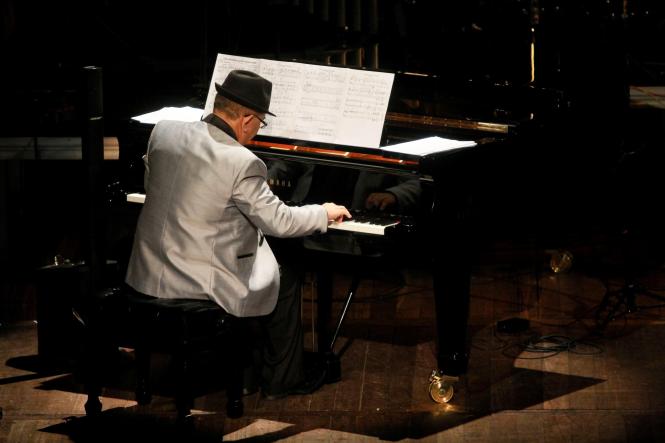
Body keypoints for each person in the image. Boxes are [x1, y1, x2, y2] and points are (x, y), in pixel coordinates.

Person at [125, 69, 351, 399]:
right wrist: (323, 213)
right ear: (246, 119)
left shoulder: (164, 132)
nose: (258, 132)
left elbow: (154, 188)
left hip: (148, 271)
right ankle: (279, 380)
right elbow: (280, 222)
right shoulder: (242, 161)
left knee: (257, 257)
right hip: (198, 282)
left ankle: (243, 370)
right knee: (283, 273)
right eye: (260, 122)